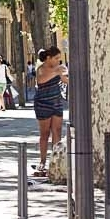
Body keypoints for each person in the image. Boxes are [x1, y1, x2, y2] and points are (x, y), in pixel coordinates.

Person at [31, 46, 67, 177]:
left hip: (56, 102)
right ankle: (42, 161)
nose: (58, 61)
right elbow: (42, 79)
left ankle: (55, 160)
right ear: (48, 58)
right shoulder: (41, 69)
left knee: (57, 131)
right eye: (56, 58)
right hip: (43, 103)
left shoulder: (57, 69)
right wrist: (57, 71)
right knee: (45, 133)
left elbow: (65, 80)